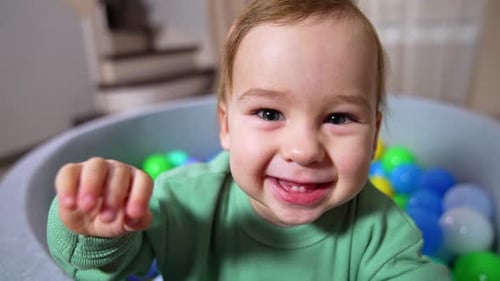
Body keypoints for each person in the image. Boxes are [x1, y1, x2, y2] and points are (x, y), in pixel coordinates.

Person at [47, 0, 451, 280]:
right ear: (226, 126)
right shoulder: (185, 203)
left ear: (375, 134)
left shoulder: (382, 233)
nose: (304, 150)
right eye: (269, 113)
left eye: (338, 117)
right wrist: (98, 229)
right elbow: (99, 268)